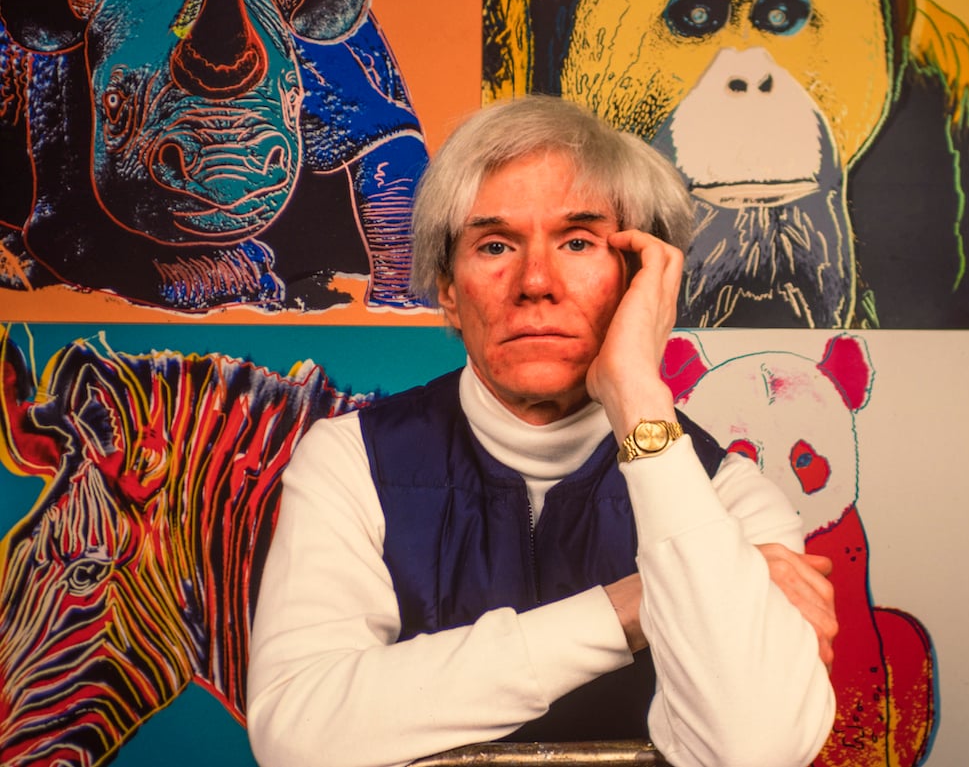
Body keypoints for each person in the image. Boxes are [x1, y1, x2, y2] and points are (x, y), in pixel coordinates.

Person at [246, 95, 837, 767]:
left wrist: (640, 398)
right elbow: (297, 736)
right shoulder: (351, 461)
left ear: (640, 282)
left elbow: (752, 751)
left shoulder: (729, 494)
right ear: (448, 289)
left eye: (579, 242)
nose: (534, 282)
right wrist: (637, 604)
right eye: (495, 245)